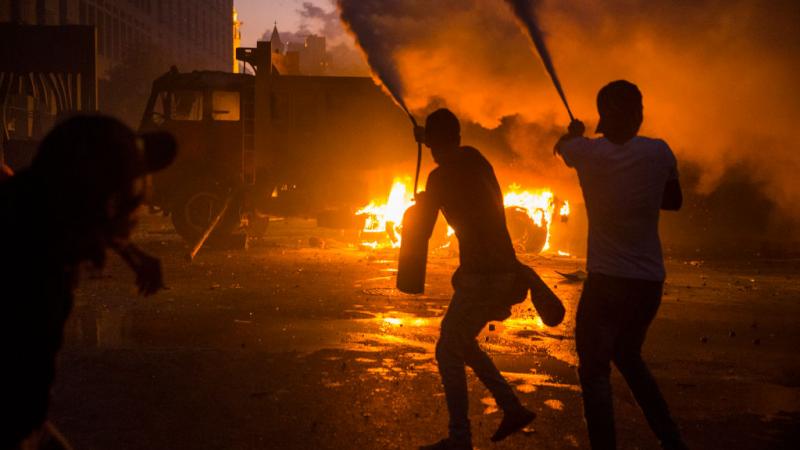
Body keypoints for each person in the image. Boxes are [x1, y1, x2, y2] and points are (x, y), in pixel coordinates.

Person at [0, 115, 176, 449]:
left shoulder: (105, 132)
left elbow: (93, 212)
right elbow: (97, 216)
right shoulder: (39, 274)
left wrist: (135, 256)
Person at [554, 80, 688, 450]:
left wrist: (575, 134)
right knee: (628, 357)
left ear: (604, 118)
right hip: (648, 284)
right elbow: (673, 201)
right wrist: (637, 190)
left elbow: (562, 148)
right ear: (638, 115)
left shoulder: (587, 152)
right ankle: (672, 439)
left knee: (595, 373)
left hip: (607, 284)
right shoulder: (659, 152)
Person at [413, 109, 536, 450]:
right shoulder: (477, 160)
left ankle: (460, 439)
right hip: (503, 269)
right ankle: (511, 408)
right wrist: (429, 138)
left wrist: (420, 207)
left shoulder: (439, 179)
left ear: (434, 143)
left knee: (447, 348)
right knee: (461, 340)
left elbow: (422, 232)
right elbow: (452, 158)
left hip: (482, 275)